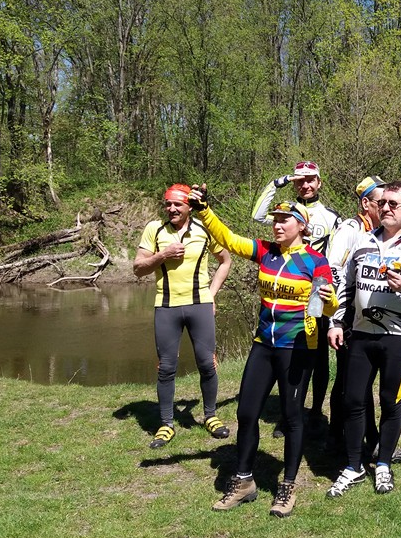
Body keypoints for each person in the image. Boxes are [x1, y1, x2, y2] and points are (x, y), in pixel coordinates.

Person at [194, 186, 338, 517]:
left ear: (301, 226)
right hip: (263, 344)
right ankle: (244, 481)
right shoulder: (265, 252)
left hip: (297, 347)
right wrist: (204, 211)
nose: (277, 224)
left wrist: (328, 298)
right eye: (275, 219)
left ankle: (287, 486)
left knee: (291, 417)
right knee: (246, 413)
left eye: (285, 219)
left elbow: (326, 309)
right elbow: (229, 239)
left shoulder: (315, 262)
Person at [326, 181, 401, 497]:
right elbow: (346, 286)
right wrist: (336, 322)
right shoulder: (362, 242)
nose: (386, 208)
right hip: (361, 333)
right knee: (353, 400)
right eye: (383, 203)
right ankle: (353, 466)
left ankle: (383, 465)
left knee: (391, 400)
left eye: (394, 204)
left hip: (400, 336)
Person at [133, 184, 232, 449]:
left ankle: (210, 416)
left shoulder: (205, 228)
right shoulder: (155, 229)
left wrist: (212, 294)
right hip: (166, 306)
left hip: (200, 304)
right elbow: (138, 268)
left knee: (207, 363)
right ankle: (166, 424)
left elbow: (225, 261)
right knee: (166, 367)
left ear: (189, 207)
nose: (172, 209)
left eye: (177, 204)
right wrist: (163, 255)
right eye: (168, 204)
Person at [252, 161, 341, 436]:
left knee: (319, 356)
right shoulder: (285, 213)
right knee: (290, 356)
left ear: (319, 182)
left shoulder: (331, 216)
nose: (305, 185)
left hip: (316, 285)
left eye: (310, 179)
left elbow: (337, 252)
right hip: (288, 286)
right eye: (300, 180)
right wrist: (277, 183)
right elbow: (257, 216)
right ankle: (290, 413)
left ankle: (315, 412)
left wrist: (331, 287)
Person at [324, 176, 385, 455]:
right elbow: (331, 269)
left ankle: (337, 435)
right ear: (365, 203)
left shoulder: (379, 232)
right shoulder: (350, 229)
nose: (385, 207)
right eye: (380, 202)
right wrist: (336, 315)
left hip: (366, 314)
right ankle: (367, 440)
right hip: (346, 315)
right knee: (353, 378)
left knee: (351, 378)